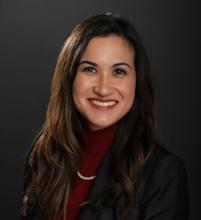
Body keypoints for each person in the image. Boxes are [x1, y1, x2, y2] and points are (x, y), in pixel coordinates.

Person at [20, 13, 189, 220]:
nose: (103, 88)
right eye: (90, 69)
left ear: (137, 81)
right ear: (70, 77)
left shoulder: (162, 173)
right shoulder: (45, 156)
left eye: (119, 71)